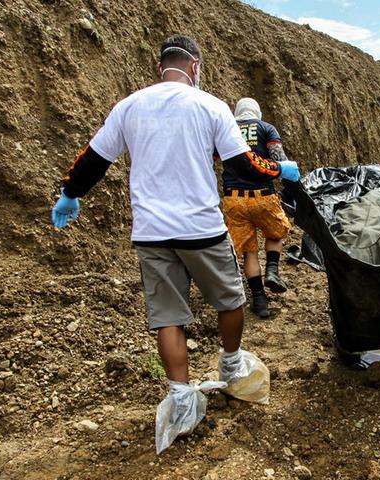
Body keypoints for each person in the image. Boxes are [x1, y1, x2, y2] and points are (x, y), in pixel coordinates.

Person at [50, 36, 300, 396]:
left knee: (168, 318)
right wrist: (279, 170)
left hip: (151, 233)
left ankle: (180, 396)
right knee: (231, 300)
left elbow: (94, 159)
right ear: (195, 67)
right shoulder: (211, 106)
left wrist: (70, 194)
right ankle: (231, 364)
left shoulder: (129, 107)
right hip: (201, 228)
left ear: (160, 68)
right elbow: (244, 162)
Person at [221, 97, 293, 319]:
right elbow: (278, 159)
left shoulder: (227, 129)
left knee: (249, 251)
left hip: (234, 199)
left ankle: (259, 300)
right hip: (263, 196)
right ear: (257, 111)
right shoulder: (266, 128)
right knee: (276, 233)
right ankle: (272, 269)